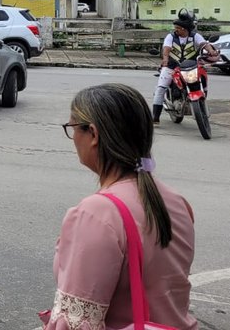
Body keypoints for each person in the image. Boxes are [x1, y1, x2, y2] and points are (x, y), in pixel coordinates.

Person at [40, 83, 197, 330]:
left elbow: (77, 323)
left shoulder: (96, 214)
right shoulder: (176, 202)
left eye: (72, 128)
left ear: (93, 134)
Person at [152, 10, 218, 124]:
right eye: (175, 27)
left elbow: (204, 44)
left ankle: (201, 100)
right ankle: (155, 118)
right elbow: (166, 48)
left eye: (178, 27)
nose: (175, 29)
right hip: (172, 67)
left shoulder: (195, 36)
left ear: (184, 28)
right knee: (161, 89)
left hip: (190, 67)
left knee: (202, 78)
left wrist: (211, 51)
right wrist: (165, 59)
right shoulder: (171, 37)